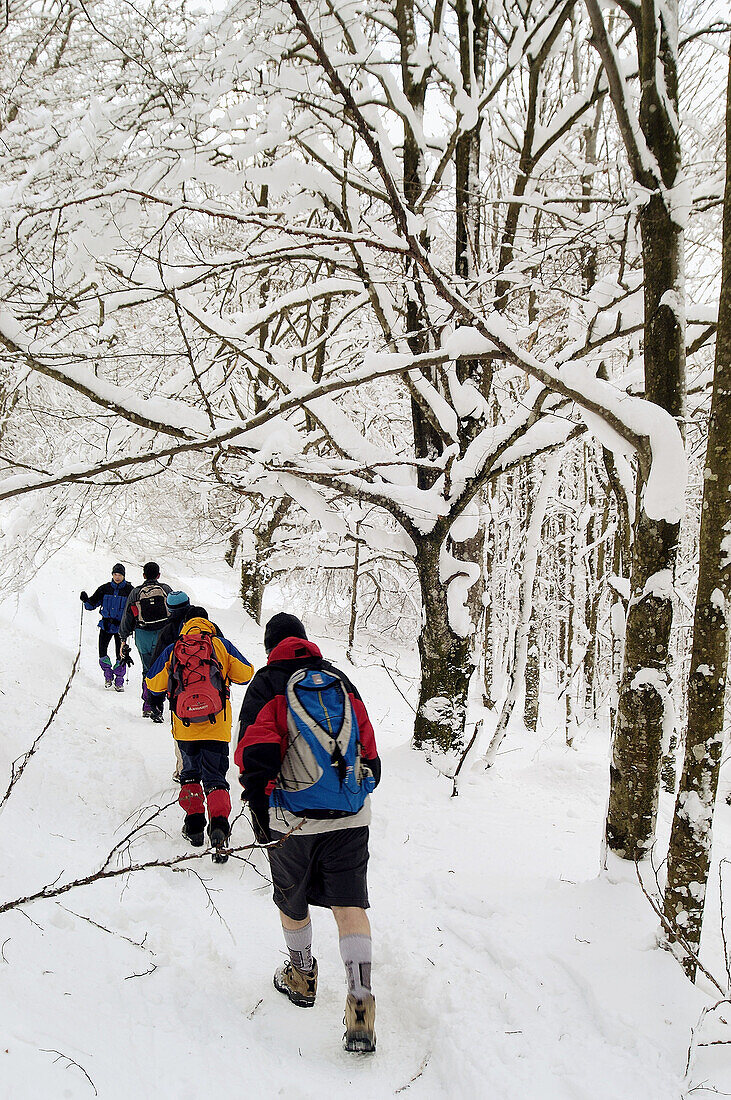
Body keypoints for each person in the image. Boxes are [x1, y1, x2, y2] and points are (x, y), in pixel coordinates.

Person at [235, 612, 381, 1053]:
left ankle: (301, 977)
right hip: (351, 819)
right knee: (349, 903)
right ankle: (359, 1000)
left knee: (292, 900)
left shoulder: (266, 685)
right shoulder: (340, 682)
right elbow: (371, 756)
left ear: (269, 647)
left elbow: (253, 754)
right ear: (305, 640)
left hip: (292, 820)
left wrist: (261, 813)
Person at [145, 608, 253, 859]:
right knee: (216, 777)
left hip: (184, 727)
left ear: (186, 625)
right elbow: (246, 674)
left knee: (190, 775)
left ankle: (194, 826)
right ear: (209, 623)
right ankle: (219, 828)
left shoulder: (174, 648)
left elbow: (153, 683)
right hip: (217, 726)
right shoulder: (220, 645)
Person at [119, 561, 172, 717]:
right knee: (163, 668)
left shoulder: (136, 593)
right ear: (158, 575)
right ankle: (159, 705)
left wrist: (123, 638)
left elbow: (127, 616)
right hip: (163, 633)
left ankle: (148, 704)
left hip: (142, 635)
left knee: (147, 669)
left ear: (143, 575)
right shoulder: (166, 589)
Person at [80, 564, 133, 691]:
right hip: (106, 625)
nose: (117, 577)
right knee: (102, 652)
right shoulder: (104, 589)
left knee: (120, 655)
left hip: (121, 628)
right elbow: (91, 604)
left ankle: (119, 680)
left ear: (124, 575)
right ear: (112, 575)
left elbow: (135, 609)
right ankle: (108, 675)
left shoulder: (130, 590)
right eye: (115, 574)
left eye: (119, 575)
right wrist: (85, 600)